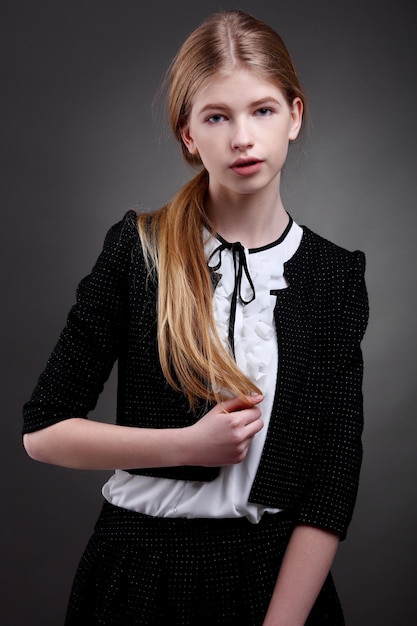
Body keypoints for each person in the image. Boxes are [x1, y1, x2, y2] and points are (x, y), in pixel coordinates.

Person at [22, 9, 369, 625]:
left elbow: (331, 487)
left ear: (295, 115)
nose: (242, 138)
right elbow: (43, 433)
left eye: (262, 110)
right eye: (217, 116)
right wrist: (185, 446)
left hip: (278, 584)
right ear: (189, 135)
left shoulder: (335, 276)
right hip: (136, 573)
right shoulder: (138, 250)